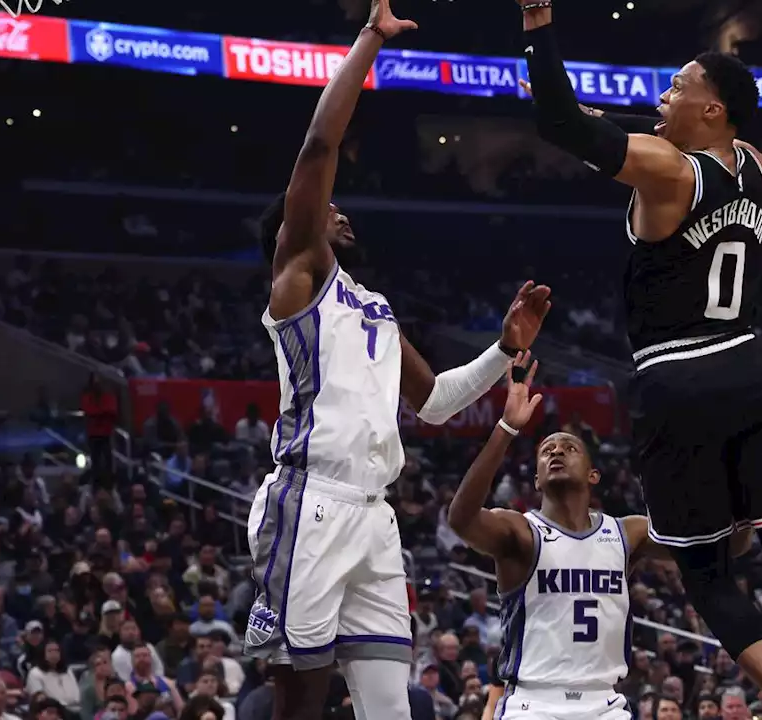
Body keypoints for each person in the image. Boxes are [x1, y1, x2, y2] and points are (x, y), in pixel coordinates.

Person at [510, 2, 762, 719]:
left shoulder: (665, 168)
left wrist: (540, 29)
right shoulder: (751, 162)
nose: (664, 95)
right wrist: (626, 125)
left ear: (713, 108)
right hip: (754, 365)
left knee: (705, 567)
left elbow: (561, 126)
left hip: (678, 373)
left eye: (679, 85)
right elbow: (639, 138)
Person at [248, 2, 551, 720]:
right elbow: (320, 147)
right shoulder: (297, 277)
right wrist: (369, 42)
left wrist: (504, 349)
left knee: (390, 704)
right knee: (299, 702)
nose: (341, 212)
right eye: (329, 210)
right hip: (311, 500)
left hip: (374, 517)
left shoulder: (374, 306)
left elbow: (437, 401)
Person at [448, 352, 719, 719]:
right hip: (533, 703)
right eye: (546, 451)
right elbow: (462, 519)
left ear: (594, 475)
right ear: (537, 480)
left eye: (569, 447)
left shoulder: (627, 533)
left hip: (604, 703)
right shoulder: (521, 532)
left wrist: (733, 470)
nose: (557, 451)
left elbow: (717, 545)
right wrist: (507, 428)